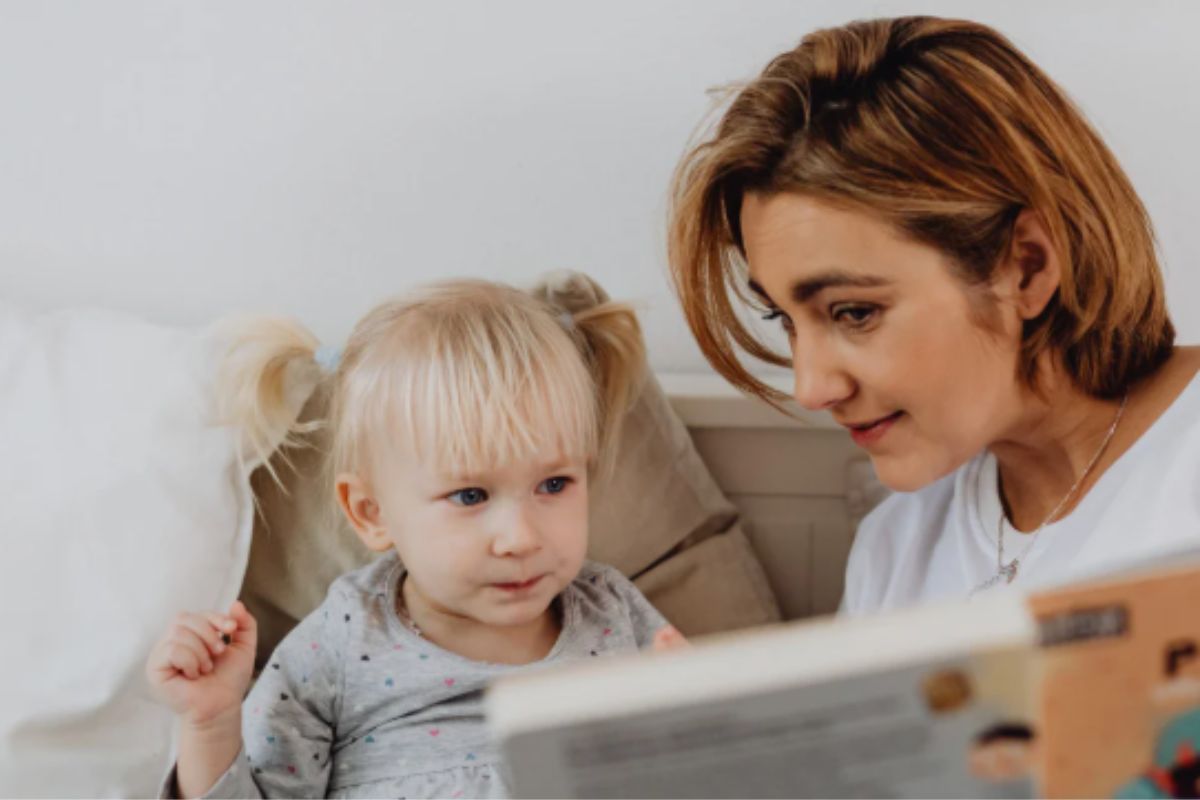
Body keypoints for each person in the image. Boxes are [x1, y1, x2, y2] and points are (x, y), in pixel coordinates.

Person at [667, 15, 1200, 614]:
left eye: (854, 312)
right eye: (785, 319)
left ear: (1025, 267)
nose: (811, 387)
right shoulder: (894, 553)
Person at [145, 279, 684, 798]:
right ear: (371, 512)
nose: (520, 538)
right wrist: (212, 726)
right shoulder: (342, 643)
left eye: (554, 484)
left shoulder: (612, 611)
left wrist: (695, 710)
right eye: (470, 496)